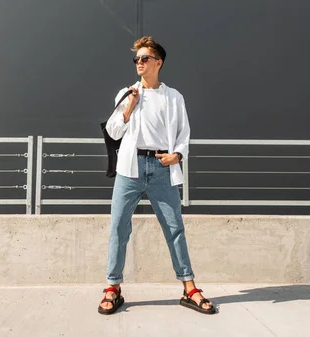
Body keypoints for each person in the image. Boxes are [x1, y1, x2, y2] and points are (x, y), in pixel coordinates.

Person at [98, 36, 215, 315]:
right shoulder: (126, 94)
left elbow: (184, 133)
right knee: (118, 227)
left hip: (162, 167)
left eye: (144, 58)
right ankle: (113, 287)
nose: (139, 63)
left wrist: (178, 155)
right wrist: (130, 106)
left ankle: (190, 288)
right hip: (131, 168)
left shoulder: (174, 97)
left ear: (158, 62)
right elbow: (113, 132)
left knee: (175, 228)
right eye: (136, 59)